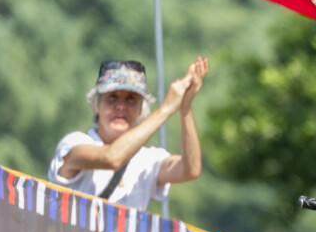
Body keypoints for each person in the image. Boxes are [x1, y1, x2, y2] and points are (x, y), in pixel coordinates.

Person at [49, 57, 209, 210]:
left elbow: (190, 169)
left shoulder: (148, 159)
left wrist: (185, 107)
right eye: (112, 98)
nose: (121, 106)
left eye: (131, 99)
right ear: (96, 105)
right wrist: (166, 109)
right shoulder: (74, 144)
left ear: (141, 109)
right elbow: (112, 158)